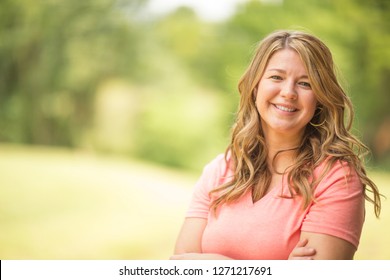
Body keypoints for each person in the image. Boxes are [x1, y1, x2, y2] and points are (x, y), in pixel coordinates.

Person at [170, 30, 382, 260]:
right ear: (255, 86)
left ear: (320, 98)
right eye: (276, 78)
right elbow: (179, 267)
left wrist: (211, 264)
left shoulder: (335, 179)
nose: (288, 93)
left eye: (305, 83)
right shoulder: (220, 170)